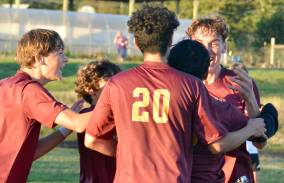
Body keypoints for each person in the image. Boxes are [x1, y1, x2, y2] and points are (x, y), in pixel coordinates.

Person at [84, 6, 266, 182]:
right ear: (171, 41)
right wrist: (255, 124)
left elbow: (92, 140)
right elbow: (218, 143)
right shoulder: (191, 85)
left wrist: (129, 157)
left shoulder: (117, 84)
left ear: (135, 42)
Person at [0, 29, 91, 183]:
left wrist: (66, 129)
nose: (66, 59)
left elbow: (28, 153)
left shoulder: (3, 84)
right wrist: (120, 102)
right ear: (40, 58)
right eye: (60, 53)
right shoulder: (28, 90)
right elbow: (79, 123)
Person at [168, 39, 278, 183]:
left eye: (213, 43)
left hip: (169, 175)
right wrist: (268, 114)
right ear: (205, 71)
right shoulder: (216, 107)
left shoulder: (159, 101)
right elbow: (260, 133)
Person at [186, 15, 265, 183]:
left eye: (214, 43)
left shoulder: (239, 82)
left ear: (224, 46)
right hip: (194, 174)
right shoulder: (182, 83)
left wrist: (250, 99)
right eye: (200, 43)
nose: (207, 50)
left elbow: (259, 143)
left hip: (235, 173)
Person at [74, 60, 121, 183]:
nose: (116, 86)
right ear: (90, 89)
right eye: (109, 81)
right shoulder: (84, 116)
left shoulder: (119, 114)